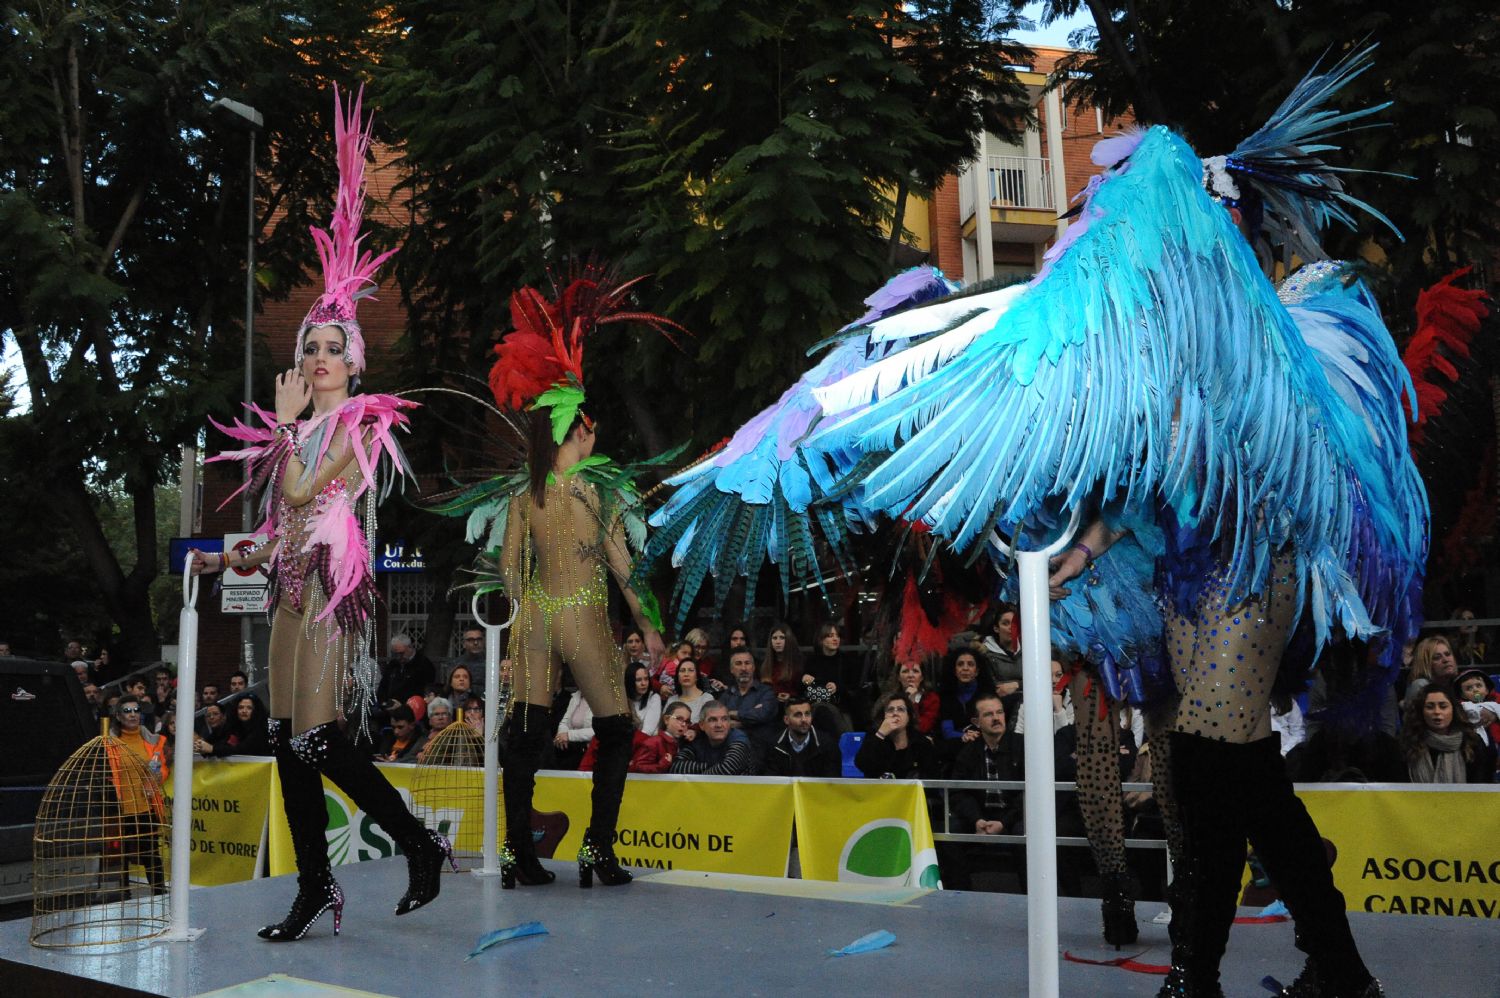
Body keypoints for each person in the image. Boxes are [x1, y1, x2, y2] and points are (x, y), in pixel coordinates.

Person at [191, 86, 446, 942]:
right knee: (284, 737)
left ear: (354, 362)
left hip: (334, 589)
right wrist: (241, 555)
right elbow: (276, 519)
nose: (322, 356)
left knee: (319, 740)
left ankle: (407, 846)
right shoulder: (291, 430)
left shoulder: (361, 426)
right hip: (287, 584)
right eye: (312, 347)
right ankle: (321, 884)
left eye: (335, 348)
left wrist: (291, 425)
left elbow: (310, 494)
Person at [479, 267, 673, 891]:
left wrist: (513, 638)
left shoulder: (524, 495)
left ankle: (515, 854)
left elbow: (509, 572)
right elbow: (624, 570)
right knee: (617, 728)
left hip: (534, 615)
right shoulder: (598, 492)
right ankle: (598, 851)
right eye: (593, 427)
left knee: (529, 731)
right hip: (584, 614)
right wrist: (653, 630)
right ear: (579, 428)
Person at [942, 691, 1025, 890]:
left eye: (999, 712)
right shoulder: (969, 751)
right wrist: (976, 819)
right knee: (949, 834)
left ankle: (1031, 898)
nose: (996, 718)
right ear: (976, 722)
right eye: (988, 714)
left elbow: (1029, 794)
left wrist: (1004, 822)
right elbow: (958, 792)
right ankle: (962, 896)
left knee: (1025, 833)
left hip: (1014, 815)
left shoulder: (1022, 746)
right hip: (980, 815)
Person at [1400, 683, 1494, 783]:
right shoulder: (1408, 743)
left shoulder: (1473, 742)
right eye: (1430, 707)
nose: (1437, 711)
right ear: (1421, 711)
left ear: (1453, 710)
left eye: (1443, 706)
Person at [717, 648, 778, 764]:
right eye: (738, 664)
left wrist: (731, 714)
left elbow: (761, 715)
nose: (744, 668)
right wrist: (751, 718)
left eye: (747, 663)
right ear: (731, 670)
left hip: (761, 754)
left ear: (753, 667)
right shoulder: (726, 696)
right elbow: (719, 722)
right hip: (729, 754)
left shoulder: (766, 692)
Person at [854, 691, 934, 779]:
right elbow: (862, 765)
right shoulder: (875, 736)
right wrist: (881, 734)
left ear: (909, 716)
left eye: (901, 709)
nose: (895, 713)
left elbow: (931, 781)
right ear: (883, 716)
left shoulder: (921, 742)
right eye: (890, 710)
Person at [764, 696, 842, 777]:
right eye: (798, 715)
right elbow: (771, 780)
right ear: (786, 720)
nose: (804, 720)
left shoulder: (827, 744)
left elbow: (832, 780)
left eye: (807, 714)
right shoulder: (774, 745)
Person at [669, 702, 753, 775]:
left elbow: (727, 769)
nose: (719, 725)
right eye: (713, 720)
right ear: (701, 725)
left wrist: (696, 776)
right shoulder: (697, 738)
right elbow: (676, 767)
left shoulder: (739, 739)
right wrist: (713, 766)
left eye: (724, 719)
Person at [1403, 635, 1459, 709]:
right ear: (1426, 664)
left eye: (1448, 654)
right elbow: (1413, 718)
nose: (1446, 660)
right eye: (1437, 657)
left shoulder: (1458, 682)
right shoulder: (1420, 685)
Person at [379, 634, 435, 707]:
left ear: (410, 647)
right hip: (391, 707)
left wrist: (405, 706)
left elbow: (426, 690)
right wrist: (383, 703)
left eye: (401, 653)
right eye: (395, 654)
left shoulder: (423, 664)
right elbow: (383, 686)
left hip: (413, 708)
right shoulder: (393, 664)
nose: (398, 657)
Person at [889, 658, 941, 736]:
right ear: (899, 677)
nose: (910, 675)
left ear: (922, 678)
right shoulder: (890, 698)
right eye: (905, 671)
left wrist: (913, 703)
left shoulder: (932, 699)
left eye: (915, 671)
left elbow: (922, 728)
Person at [549, 689, 595, 771]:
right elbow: (564, 722)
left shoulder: (601, 699)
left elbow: (598, 730)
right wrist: (561, 736)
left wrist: (569, 735)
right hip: (571, 748)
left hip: (590, 751)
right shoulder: (576, 695)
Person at [759, 622, 805, 703]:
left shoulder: (798, 664)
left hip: (793, 704)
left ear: (789, 639)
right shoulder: (765, 665)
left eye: (782, 638)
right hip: (770, 704)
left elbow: (801, 691)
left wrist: (791, 697)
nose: (778, 642)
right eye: (774, 638)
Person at [663, 660, 715, 724]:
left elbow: (709, 724)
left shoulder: (707, 699)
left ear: (697, 676)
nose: (686, 674)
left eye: (691, 670)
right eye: (682, 671)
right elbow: (664, 725)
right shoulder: (671, 700)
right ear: (677, 677)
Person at [625, 662, 662, 736]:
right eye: (638, 680)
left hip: (644, 742)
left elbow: (647, 731)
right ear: (630, 681)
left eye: (646, 679)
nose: (643, 683)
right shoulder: (623, 699)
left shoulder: (654, 698)